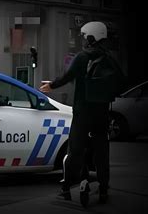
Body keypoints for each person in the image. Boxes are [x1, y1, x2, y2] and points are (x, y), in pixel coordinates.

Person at [39, 21, 113, 207]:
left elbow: (67, 76)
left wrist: (52, 85)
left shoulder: (82, 57)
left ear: (90, 38)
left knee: (76, 150)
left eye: (84, 36)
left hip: (83, 113)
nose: (83, 40)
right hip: (102, 113)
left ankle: (68, 187)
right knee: (101, 151)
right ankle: (103, 188)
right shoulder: (109, 58)